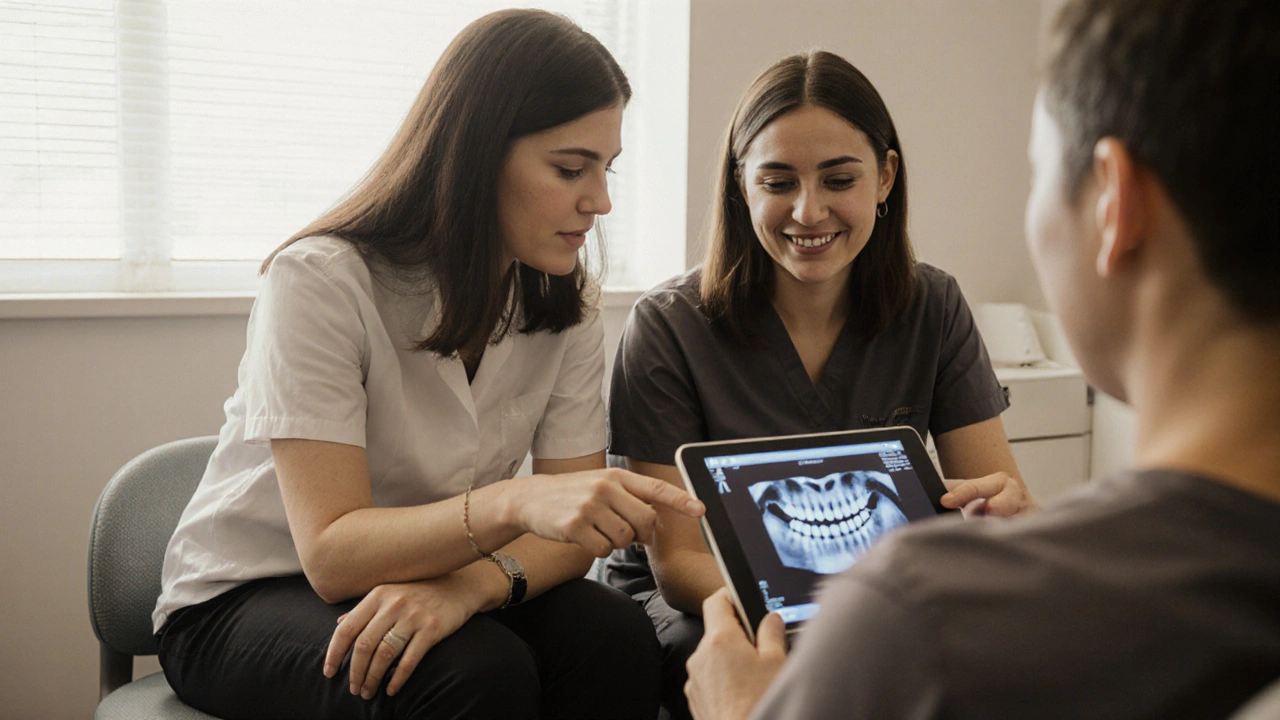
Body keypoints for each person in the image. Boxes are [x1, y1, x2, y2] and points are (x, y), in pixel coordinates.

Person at [683, 0, 1280, 717]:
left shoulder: (915, 622)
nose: (810, 211)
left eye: (1037, 174)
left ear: (1114, 206)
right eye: (779, 181)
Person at [150, 10, 705, 720]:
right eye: (571, 168)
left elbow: (570, 537)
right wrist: (515, 501)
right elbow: (332, 553)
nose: (598, 201)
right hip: (248, 594)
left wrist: (471, 587)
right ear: (476, 153)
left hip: (444, 570)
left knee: (617, 636)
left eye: (605, 169)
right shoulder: (320, 280)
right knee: (474, 673)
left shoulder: (564, 298)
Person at [606, 50, 1037, 720]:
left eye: (839, 179)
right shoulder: (667, 326)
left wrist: (1004, 520)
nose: (810, 212)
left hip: (875, 596)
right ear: (739, 183)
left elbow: (991, 498)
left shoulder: (935, 305)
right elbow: (678, 564)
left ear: (886, 176)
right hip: (710, 599)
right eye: (777, 183)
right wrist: (851, 613)